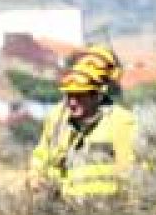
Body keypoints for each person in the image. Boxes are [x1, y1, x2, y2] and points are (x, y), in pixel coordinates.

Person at [28, 44, 138, 200]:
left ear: (97, 94)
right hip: (62, 214)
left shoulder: (121, 121)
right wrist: (35, 178)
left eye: (79, 95)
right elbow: (40, 156)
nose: (72, 102)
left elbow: (132, 175)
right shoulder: (57, 118)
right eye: (69, 95)